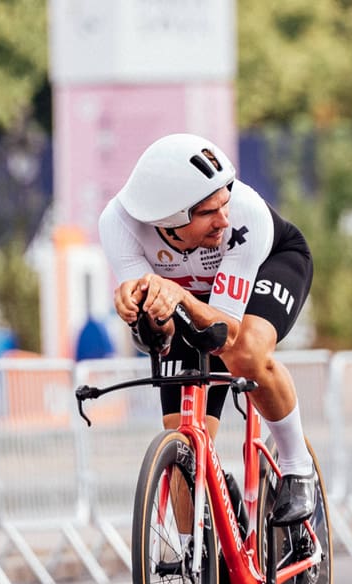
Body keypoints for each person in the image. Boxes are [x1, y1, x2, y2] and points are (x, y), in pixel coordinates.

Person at [99, 133, 316, 527]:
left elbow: (227, 337)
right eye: (208, 213)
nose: (224, 219)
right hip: (192, 296)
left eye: (224, 202)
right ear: (167, 221)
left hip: (268, 268)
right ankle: (209, 537)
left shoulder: (246, 214)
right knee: (183, 460)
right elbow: (159, 336)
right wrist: (137, 313)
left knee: (248, 355)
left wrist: (177, 296)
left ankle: (298, 467)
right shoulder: (118, 224)